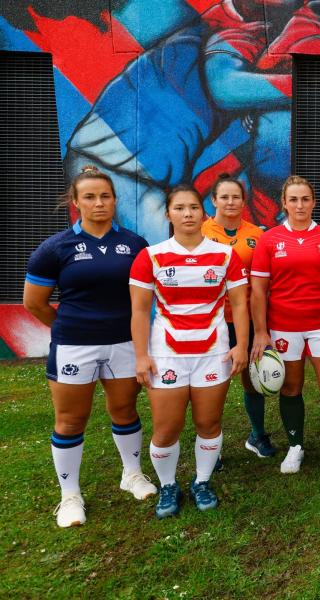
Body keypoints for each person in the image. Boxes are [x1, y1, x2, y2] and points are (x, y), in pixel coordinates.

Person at [24, 166, 154, 528]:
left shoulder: (134, 243)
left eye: (106, 196)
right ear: (75, 202)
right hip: (73, 347)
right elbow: (34, 302)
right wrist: (65, 329)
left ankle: (132, 475)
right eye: (90, 197)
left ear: (115, 200)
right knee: (70, 420)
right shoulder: (55, 248)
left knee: (125, 410)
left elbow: (143, 299)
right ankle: (70, 497)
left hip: (124, 344)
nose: (99, 203)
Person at [129, 185, 248, 518]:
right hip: (167, 355)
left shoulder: (225, 255)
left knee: (209, 423)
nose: (187, 214)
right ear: (168, 214)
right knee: (166, 428)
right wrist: (141, 356)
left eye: (194, 207)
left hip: (214, 352)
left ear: (204, 213)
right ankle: (168, 485)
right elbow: (139, 311)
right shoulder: (150, 257)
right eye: (179, 208)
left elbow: (240, 303)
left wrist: (242, 345)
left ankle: (202, 481)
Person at [249, 176, 320, 474]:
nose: (299, 205)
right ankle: (295, 447)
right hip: (284, 326)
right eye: (293, 199)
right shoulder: (269, 239)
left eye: (305, 199)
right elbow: (258, 290)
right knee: (291, 387)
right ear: (284, 203)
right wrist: (260, 331)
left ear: (313, 202)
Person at [201, 174, 273, 458]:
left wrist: (261, 328)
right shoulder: (200, 232)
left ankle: (257, 435)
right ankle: (211, 448)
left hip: (247, 318)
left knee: (252, 378)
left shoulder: (257, 234)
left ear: (244, 201)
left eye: (236, 197)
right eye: (225, 197)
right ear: (214, 200)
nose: (231, 202)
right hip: (212, 321)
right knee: (211, 383)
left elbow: (261, 285)